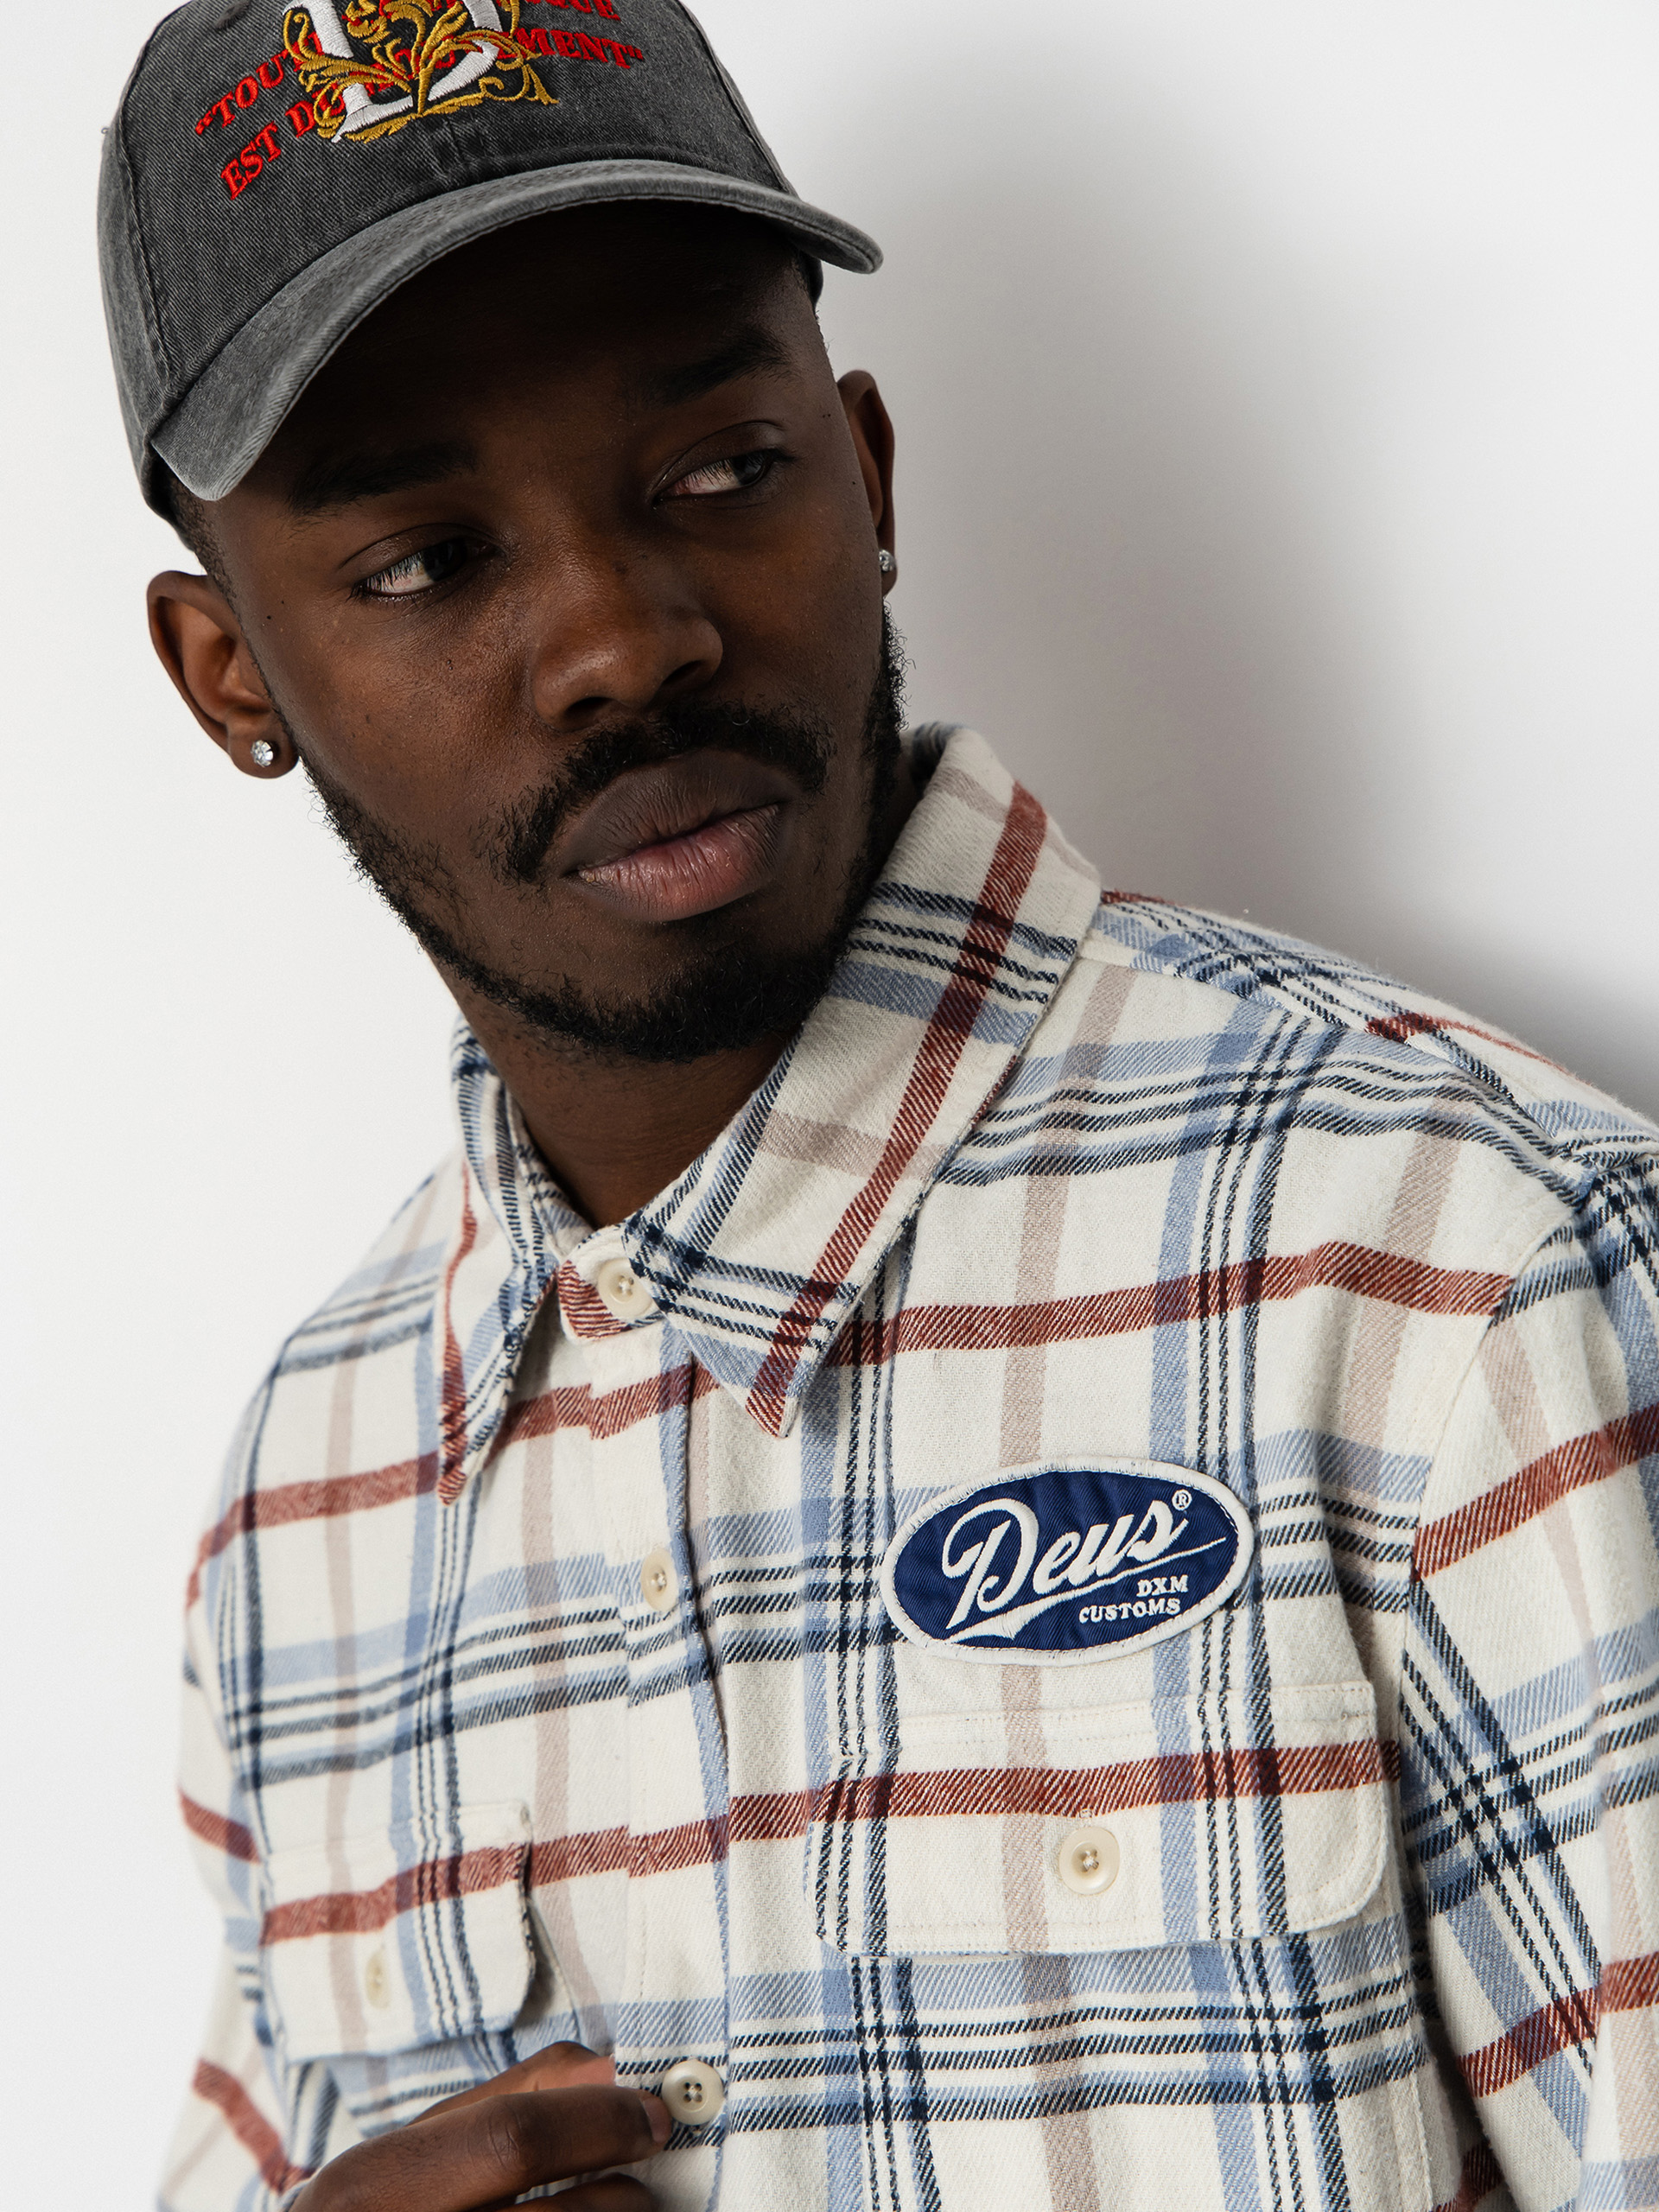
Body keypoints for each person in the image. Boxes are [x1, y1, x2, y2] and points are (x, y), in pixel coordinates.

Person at [100, 3, 1659, 2208]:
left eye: (719, 472)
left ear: (869, 476)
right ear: (230, 673)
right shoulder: (309, 1499)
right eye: (429, 557)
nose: (624, 641)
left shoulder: (1451, 1271)